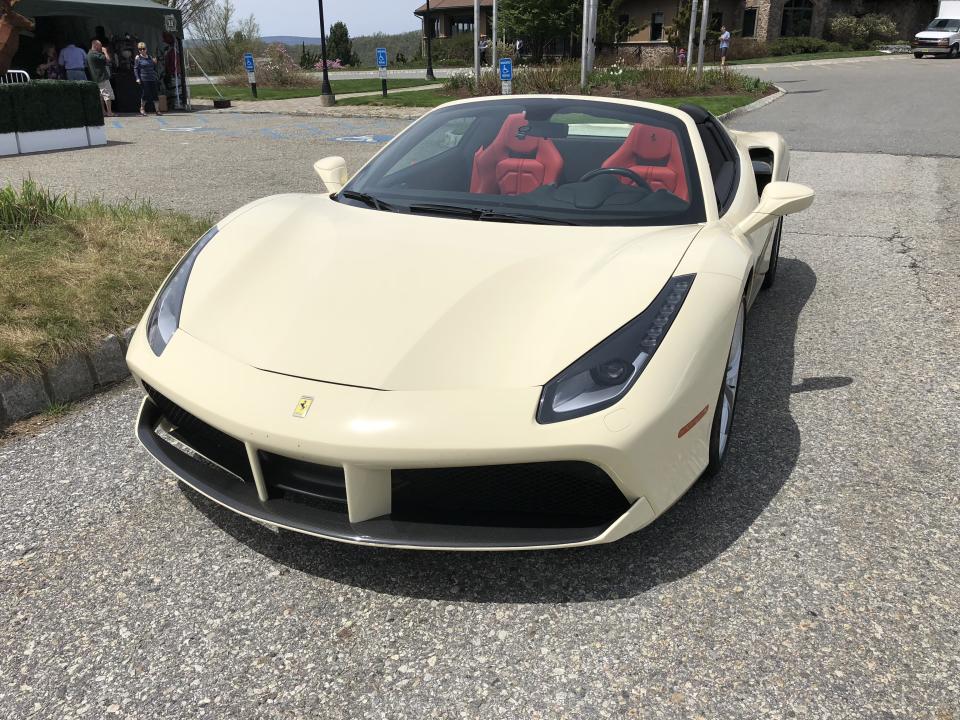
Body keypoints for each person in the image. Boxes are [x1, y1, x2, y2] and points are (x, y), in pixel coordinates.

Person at [133, 41, 161, 116]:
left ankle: (157, 110)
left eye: (143, 48)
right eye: (140, 49)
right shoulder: (138, 58)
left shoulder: (150, 57)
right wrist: (137, 78)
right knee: (145, 94)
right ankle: (142, 108)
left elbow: (154, 68)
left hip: (152, 78)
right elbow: (135, 69)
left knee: (155, 94)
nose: (142, 50)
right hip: (144, 78)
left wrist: (155, 63)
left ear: (146, 49)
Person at [87, 39, 114, 117]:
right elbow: (108, 60)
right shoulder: (95, 54)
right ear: (95, 45)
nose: (101, 47)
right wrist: (105, 51)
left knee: (100, 96)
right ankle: (109, 112)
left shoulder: (89, 54)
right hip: (102, 77)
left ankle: (104, 112)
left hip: (95, 78)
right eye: (100, 45)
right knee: (107, 94)